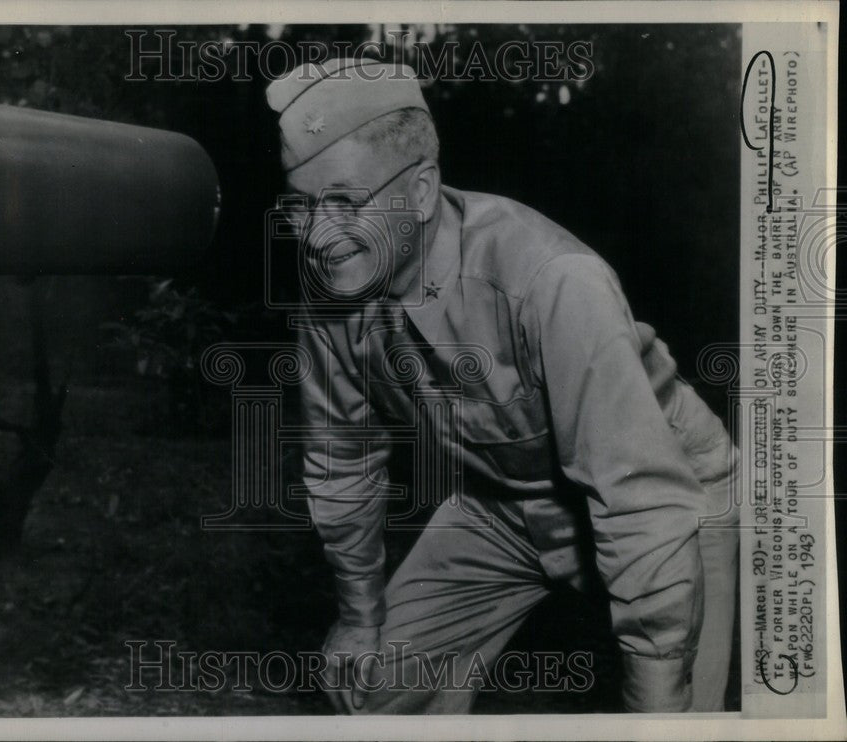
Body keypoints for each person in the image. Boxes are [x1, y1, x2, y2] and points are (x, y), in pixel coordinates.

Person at [265, 58, 739, 713]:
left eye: (345, 201)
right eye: (300, 206)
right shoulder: (333, 302)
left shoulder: (551, 280)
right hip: (499, 496)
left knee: (673, 712)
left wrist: (657, 705)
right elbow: (343, 462)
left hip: (667, 491)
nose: (317, 237)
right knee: (370, 686)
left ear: (423, 190)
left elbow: (641, 502)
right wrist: (359, 615)